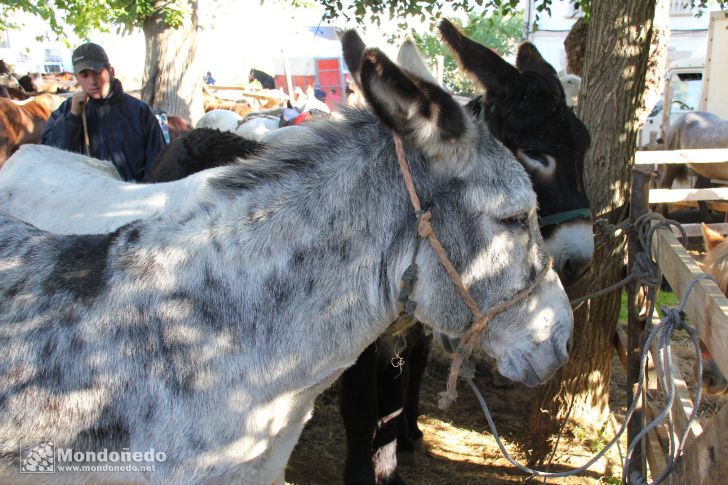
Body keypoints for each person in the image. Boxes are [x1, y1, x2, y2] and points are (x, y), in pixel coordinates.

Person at [40, 42, 165, 182]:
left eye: (97, 73)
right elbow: (48, 158)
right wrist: (73, 118)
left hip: (131, 198)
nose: (92, 81)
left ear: (111, 72)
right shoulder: (67, 110)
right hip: (85, 199)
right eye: (84, 75)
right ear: (77, 78)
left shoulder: (140, 111)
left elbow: (159, 165)